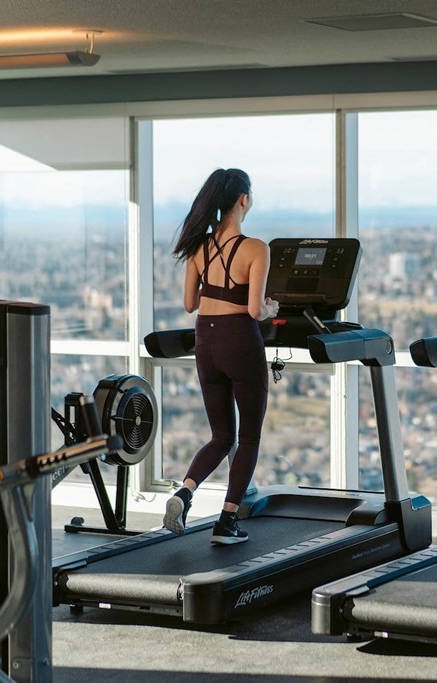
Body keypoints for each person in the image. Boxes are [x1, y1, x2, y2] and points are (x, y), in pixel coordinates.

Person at [162, 168, 279, 544]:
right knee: (248, 437)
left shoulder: (198, 246)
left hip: (205, 341)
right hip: (239, 340)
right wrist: (270, 309)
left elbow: (188, 304)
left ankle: (184, 493)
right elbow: (252, 310)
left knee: (221, 435)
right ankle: (227, 521)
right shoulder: (256, 248)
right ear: (243, 199)